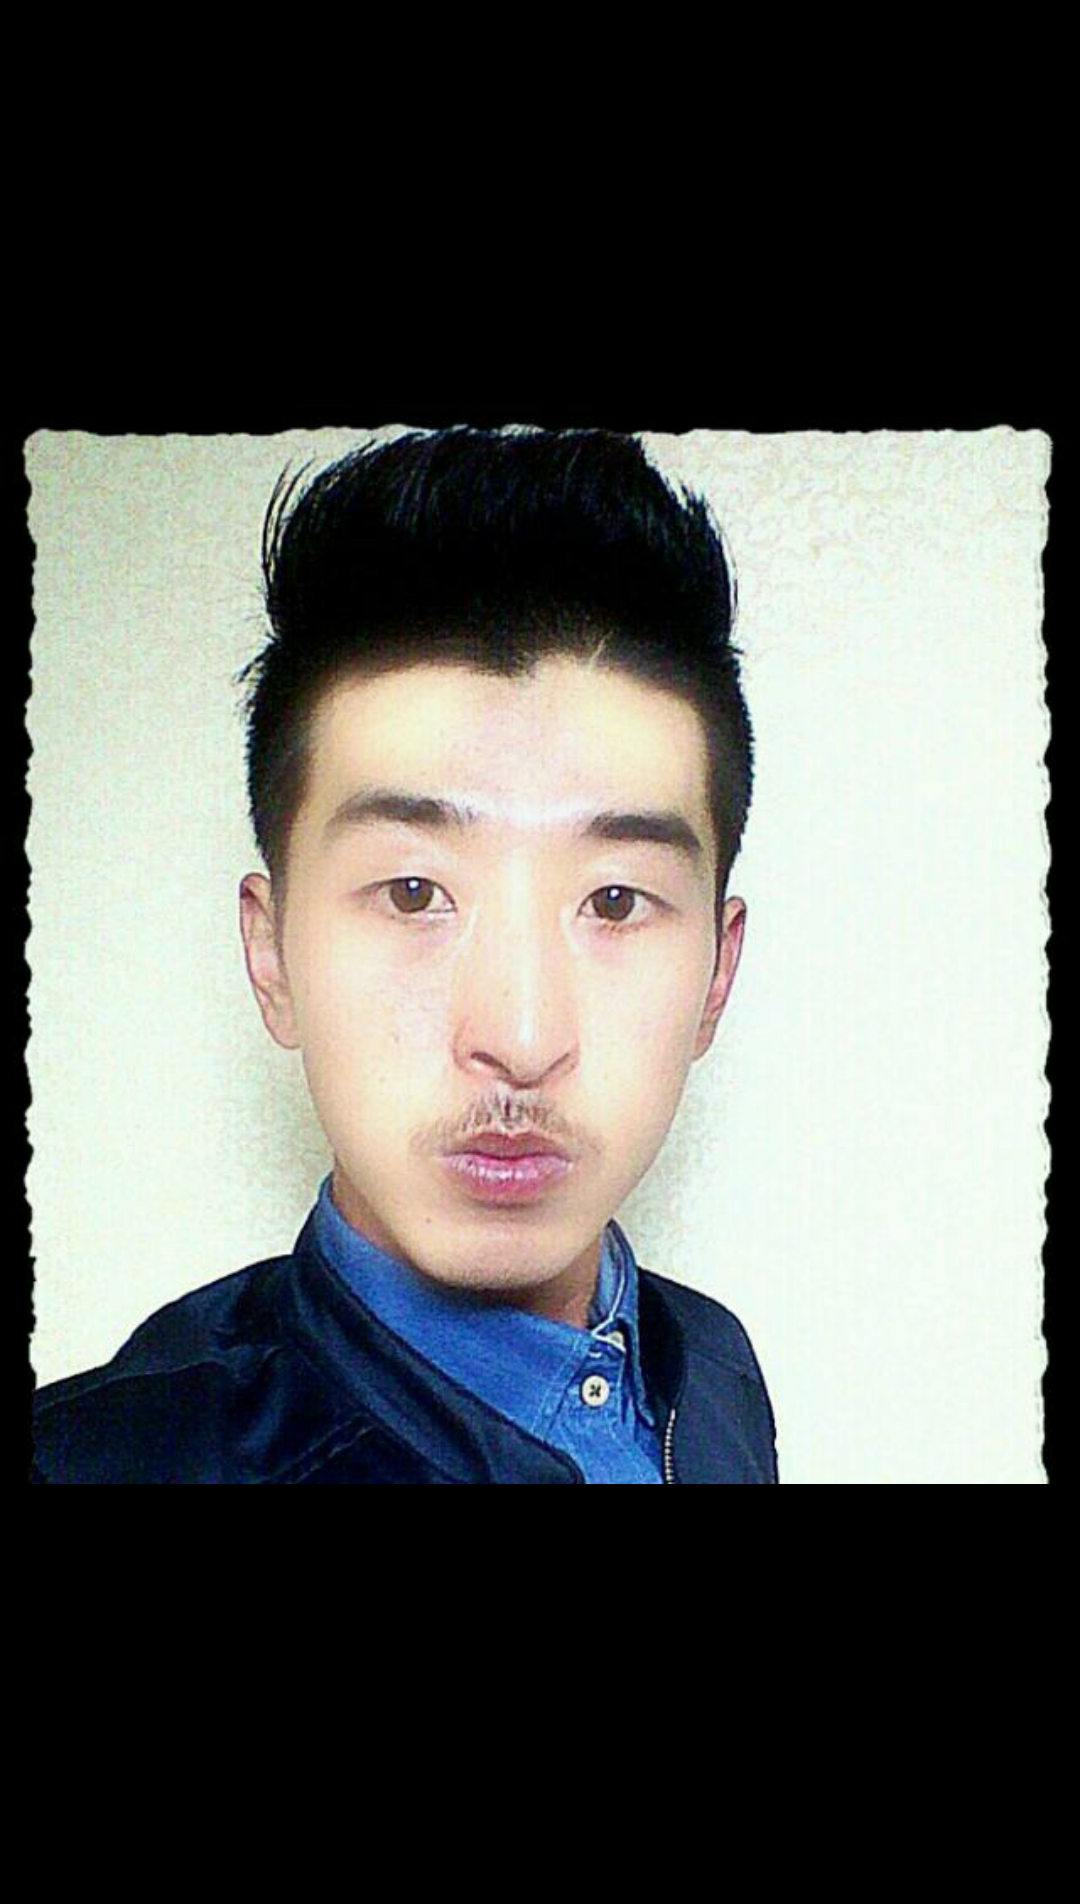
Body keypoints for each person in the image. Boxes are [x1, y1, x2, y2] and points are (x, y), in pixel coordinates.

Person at [31, 426, 778, 1484]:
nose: (520, 1037)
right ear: (271, 955)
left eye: (614, 901)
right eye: (414, 893)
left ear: (717, 976)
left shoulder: (709, 1367)